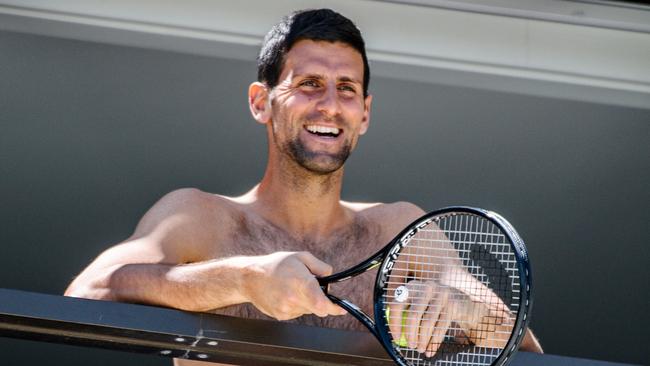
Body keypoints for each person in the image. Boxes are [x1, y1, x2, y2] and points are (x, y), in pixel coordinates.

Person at [65, 8, 542, 365]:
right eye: (309, 83)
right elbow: (84, 295)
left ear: (365, 114)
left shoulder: (399, 229)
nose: (330, 105)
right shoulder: (199, 218)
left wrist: (461, 307)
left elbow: (525, 347)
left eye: (347, 89)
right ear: (261, 102)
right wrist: (244, 279)